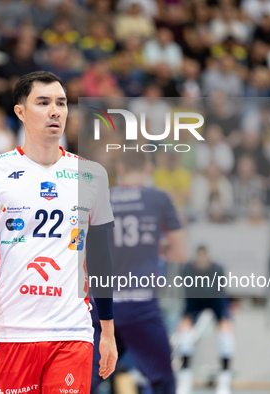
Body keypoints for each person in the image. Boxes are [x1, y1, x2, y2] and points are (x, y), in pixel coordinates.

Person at [0, 71, 117, 393]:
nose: (55, 111)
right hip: (10, 331)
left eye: (61, 103)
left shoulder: (91, 175)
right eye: (43, 102)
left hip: (72, 332)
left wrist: (108, 331)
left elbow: (100, 258)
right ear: (20, 111)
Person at [90, 152, 187, 393]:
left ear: (119, 168)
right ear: (149, 168)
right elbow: (181, 252)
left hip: (102, 304)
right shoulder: (158, 199)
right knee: (163, 381)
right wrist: (156, 246)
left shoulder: (99, 198)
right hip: (140, 305)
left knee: (84, 382)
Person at [175, 246, 234, 394]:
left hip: (215, 304)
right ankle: (185, 380)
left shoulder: (217, 270)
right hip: (195, 305)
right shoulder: (187, 270)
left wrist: (224, 319)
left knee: (226, 337)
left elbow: (221, 296)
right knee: (185, 336)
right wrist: (186, 318)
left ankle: (225, 381)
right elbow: (188, 297)